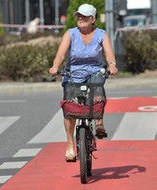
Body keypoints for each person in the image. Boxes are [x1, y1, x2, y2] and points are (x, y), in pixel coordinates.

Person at [49, 4, 118, 161]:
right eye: (78, 15)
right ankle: (69, 146)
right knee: (69, 108)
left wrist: (112, 66)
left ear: (93, 19)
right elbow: (60, 54)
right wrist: (55, 67)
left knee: (97, 86)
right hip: (73, 72)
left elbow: (109, 55)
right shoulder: (71, 34)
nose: (80, 18)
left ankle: (99, 123)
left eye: (84, 16)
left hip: (95, 70)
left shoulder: (101, 34)